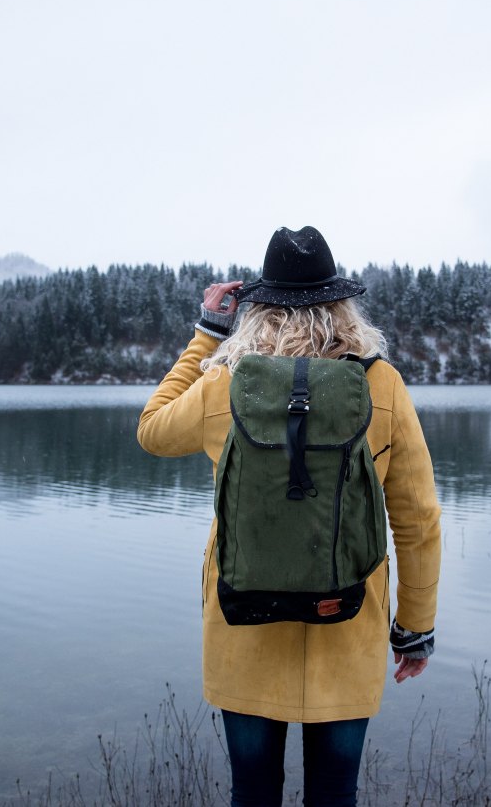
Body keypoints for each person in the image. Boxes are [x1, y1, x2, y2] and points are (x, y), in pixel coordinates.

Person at [137, 226, 442, 807]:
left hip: (243, 623)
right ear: (341, 303)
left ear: (259, 307)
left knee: (252, 794)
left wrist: (206, 336)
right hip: (348, 620)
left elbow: (151, 429)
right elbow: (418, 519)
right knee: (334, 796)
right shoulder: (381, 384)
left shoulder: (225, 384)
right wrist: (415, 627)